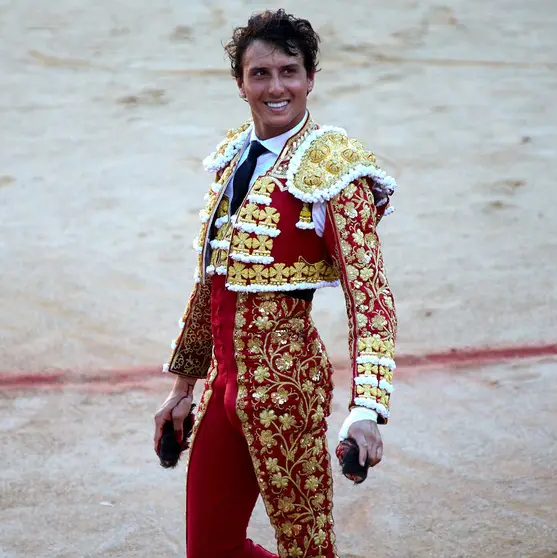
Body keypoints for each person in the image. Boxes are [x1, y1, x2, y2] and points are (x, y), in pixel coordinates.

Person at [153, 9, 399, 557]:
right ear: (240, 85)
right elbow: (211, 283)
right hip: (224, 389)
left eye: (289, 71)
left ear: (310, 78)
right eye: (259, 74)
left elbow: (371, 299)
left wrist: (366, 410)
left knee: (306, 549)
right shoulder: (233, 158)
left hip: (288, 392)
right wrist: (183, 388)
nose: (275, 87)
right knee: (210, 551)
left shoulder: (335, 171)